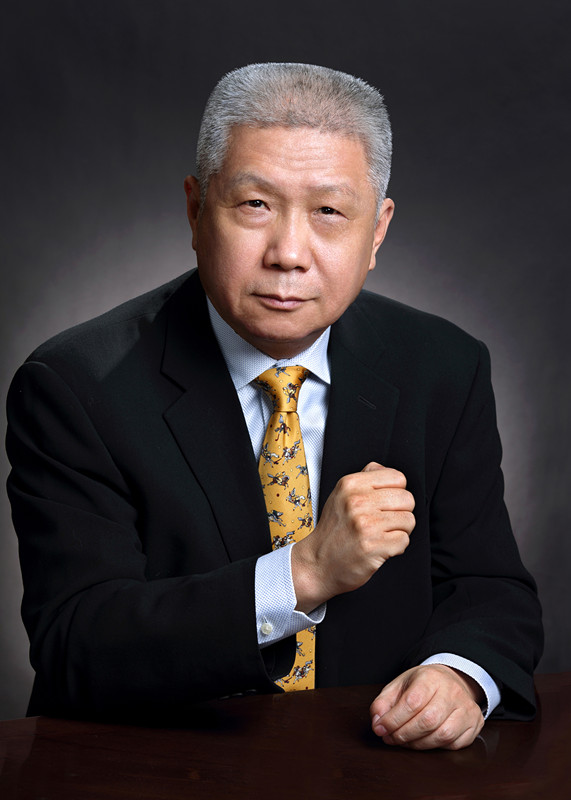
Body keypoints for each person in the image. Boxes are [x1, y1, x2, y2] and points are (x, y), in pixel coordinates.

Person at [6, 63, 542, 750]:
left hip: (371, 767)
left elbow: (489, 589)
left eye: (329, 212)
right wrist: (304, 573)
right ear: (196, 209)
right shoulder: (75, 385)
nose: (289, 254)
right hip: (152, 768)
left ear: (377, 231)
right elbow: (75, 644)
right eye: (255, 204)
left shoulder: (443, 367)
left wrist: (458, 675)